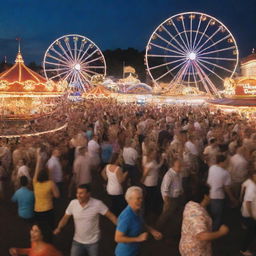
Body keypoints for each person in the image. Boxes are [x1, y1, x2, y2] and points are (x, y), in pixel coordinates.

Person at [54, 184, 117, 256]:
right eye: (77, 193)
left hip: (93, 242)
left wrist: (121, 228)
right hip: (77, 241)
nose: (78, 195)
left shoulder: (97, 204)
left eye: (81, 193)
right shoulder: (73, 203)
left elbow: (111, 216)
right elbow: (65, 217)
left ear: (88, 194)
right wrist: (59, 227)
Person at [179, 185, 229, 256]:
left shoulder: (190, 204)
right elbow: (202, 236)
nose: (211, 196)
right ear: (205, 196)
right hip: (196, 251)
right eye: (210, 194)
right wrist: (221, 232)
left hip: (186, 245)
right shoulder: (198, 215)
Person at [115, 186, 162, 256]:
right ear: (129, 200)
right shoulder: (126, 217)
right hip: (125, 253)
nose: (141, 200)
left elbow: (141, 222)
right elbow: (118, 238)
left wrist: (152, 231)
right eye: (138, 198)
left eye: (142, 198)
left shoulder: (138, 210)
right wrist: (138, 238)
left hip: (135, 250)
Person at [207, 154, 237, 231]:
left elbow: (209, 183)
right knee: (217, 217)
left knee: (212, 215)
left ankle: (210, 228)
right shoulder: (225, 173)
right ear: (221, 162)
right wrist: (232, 198)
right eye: (226, 162)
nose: (227, 163)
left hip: (211, 195)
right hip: (218, 197)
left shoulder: (212, 168)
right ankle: (213, 232)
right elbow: (227, 188)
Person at [33, 149, 60, 228]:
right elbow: (57, 195)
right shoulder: (50, 183)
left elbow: (36, 171)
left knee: (40, 227)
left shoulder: (35, 182)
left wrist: (38, 160)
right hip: (48, 209)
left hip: (37, 209)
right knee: (49, 227)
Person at [158, 159, 184, 229]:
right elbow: (164, 189)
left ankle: (171, 229)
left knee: (174, 214)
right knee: (165, 216)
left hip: (177, 197)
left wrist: (181, 191)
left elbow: (179, 183)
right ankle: (158, 229)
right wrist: (167, 202)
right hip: (170, 199)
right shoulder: (169, 175)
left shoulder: (178, 173)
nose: (180, 168)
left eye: (181, 166)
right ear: (173, 166)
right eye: (179, 166)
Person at [240, 171, 256, 256]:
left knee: (250, 231)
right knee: (250, 233)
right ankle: (244, 249)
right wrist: (252, 216)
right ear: (253, 175)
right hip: (251, 215)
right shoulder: (252, 188)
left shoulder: (249, 182)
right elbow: (248, 202)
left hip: (248, 213)